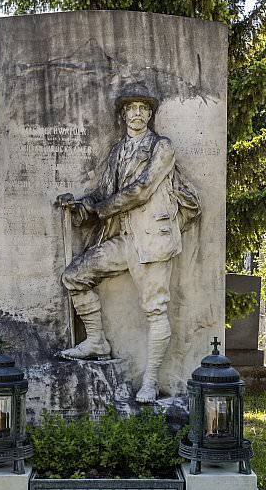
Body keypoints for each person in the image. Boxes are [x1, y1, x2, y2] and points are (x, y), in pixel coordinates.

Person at [55, 83, 200, 402]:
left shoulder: (162, 147)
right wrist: (81, 205)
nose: (137, 114)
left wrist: (99, 210)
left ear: (150, 115)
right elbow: (104, 190)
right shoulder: (119, 150)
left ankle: (149, 381)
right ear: (123, 115)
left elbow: (142, 189)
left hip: (154, 241)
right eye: (131, 109)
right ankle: (96, 342)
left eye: (143, 109)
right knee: (74, 276)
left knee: (155, 310)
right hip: (123, 238)